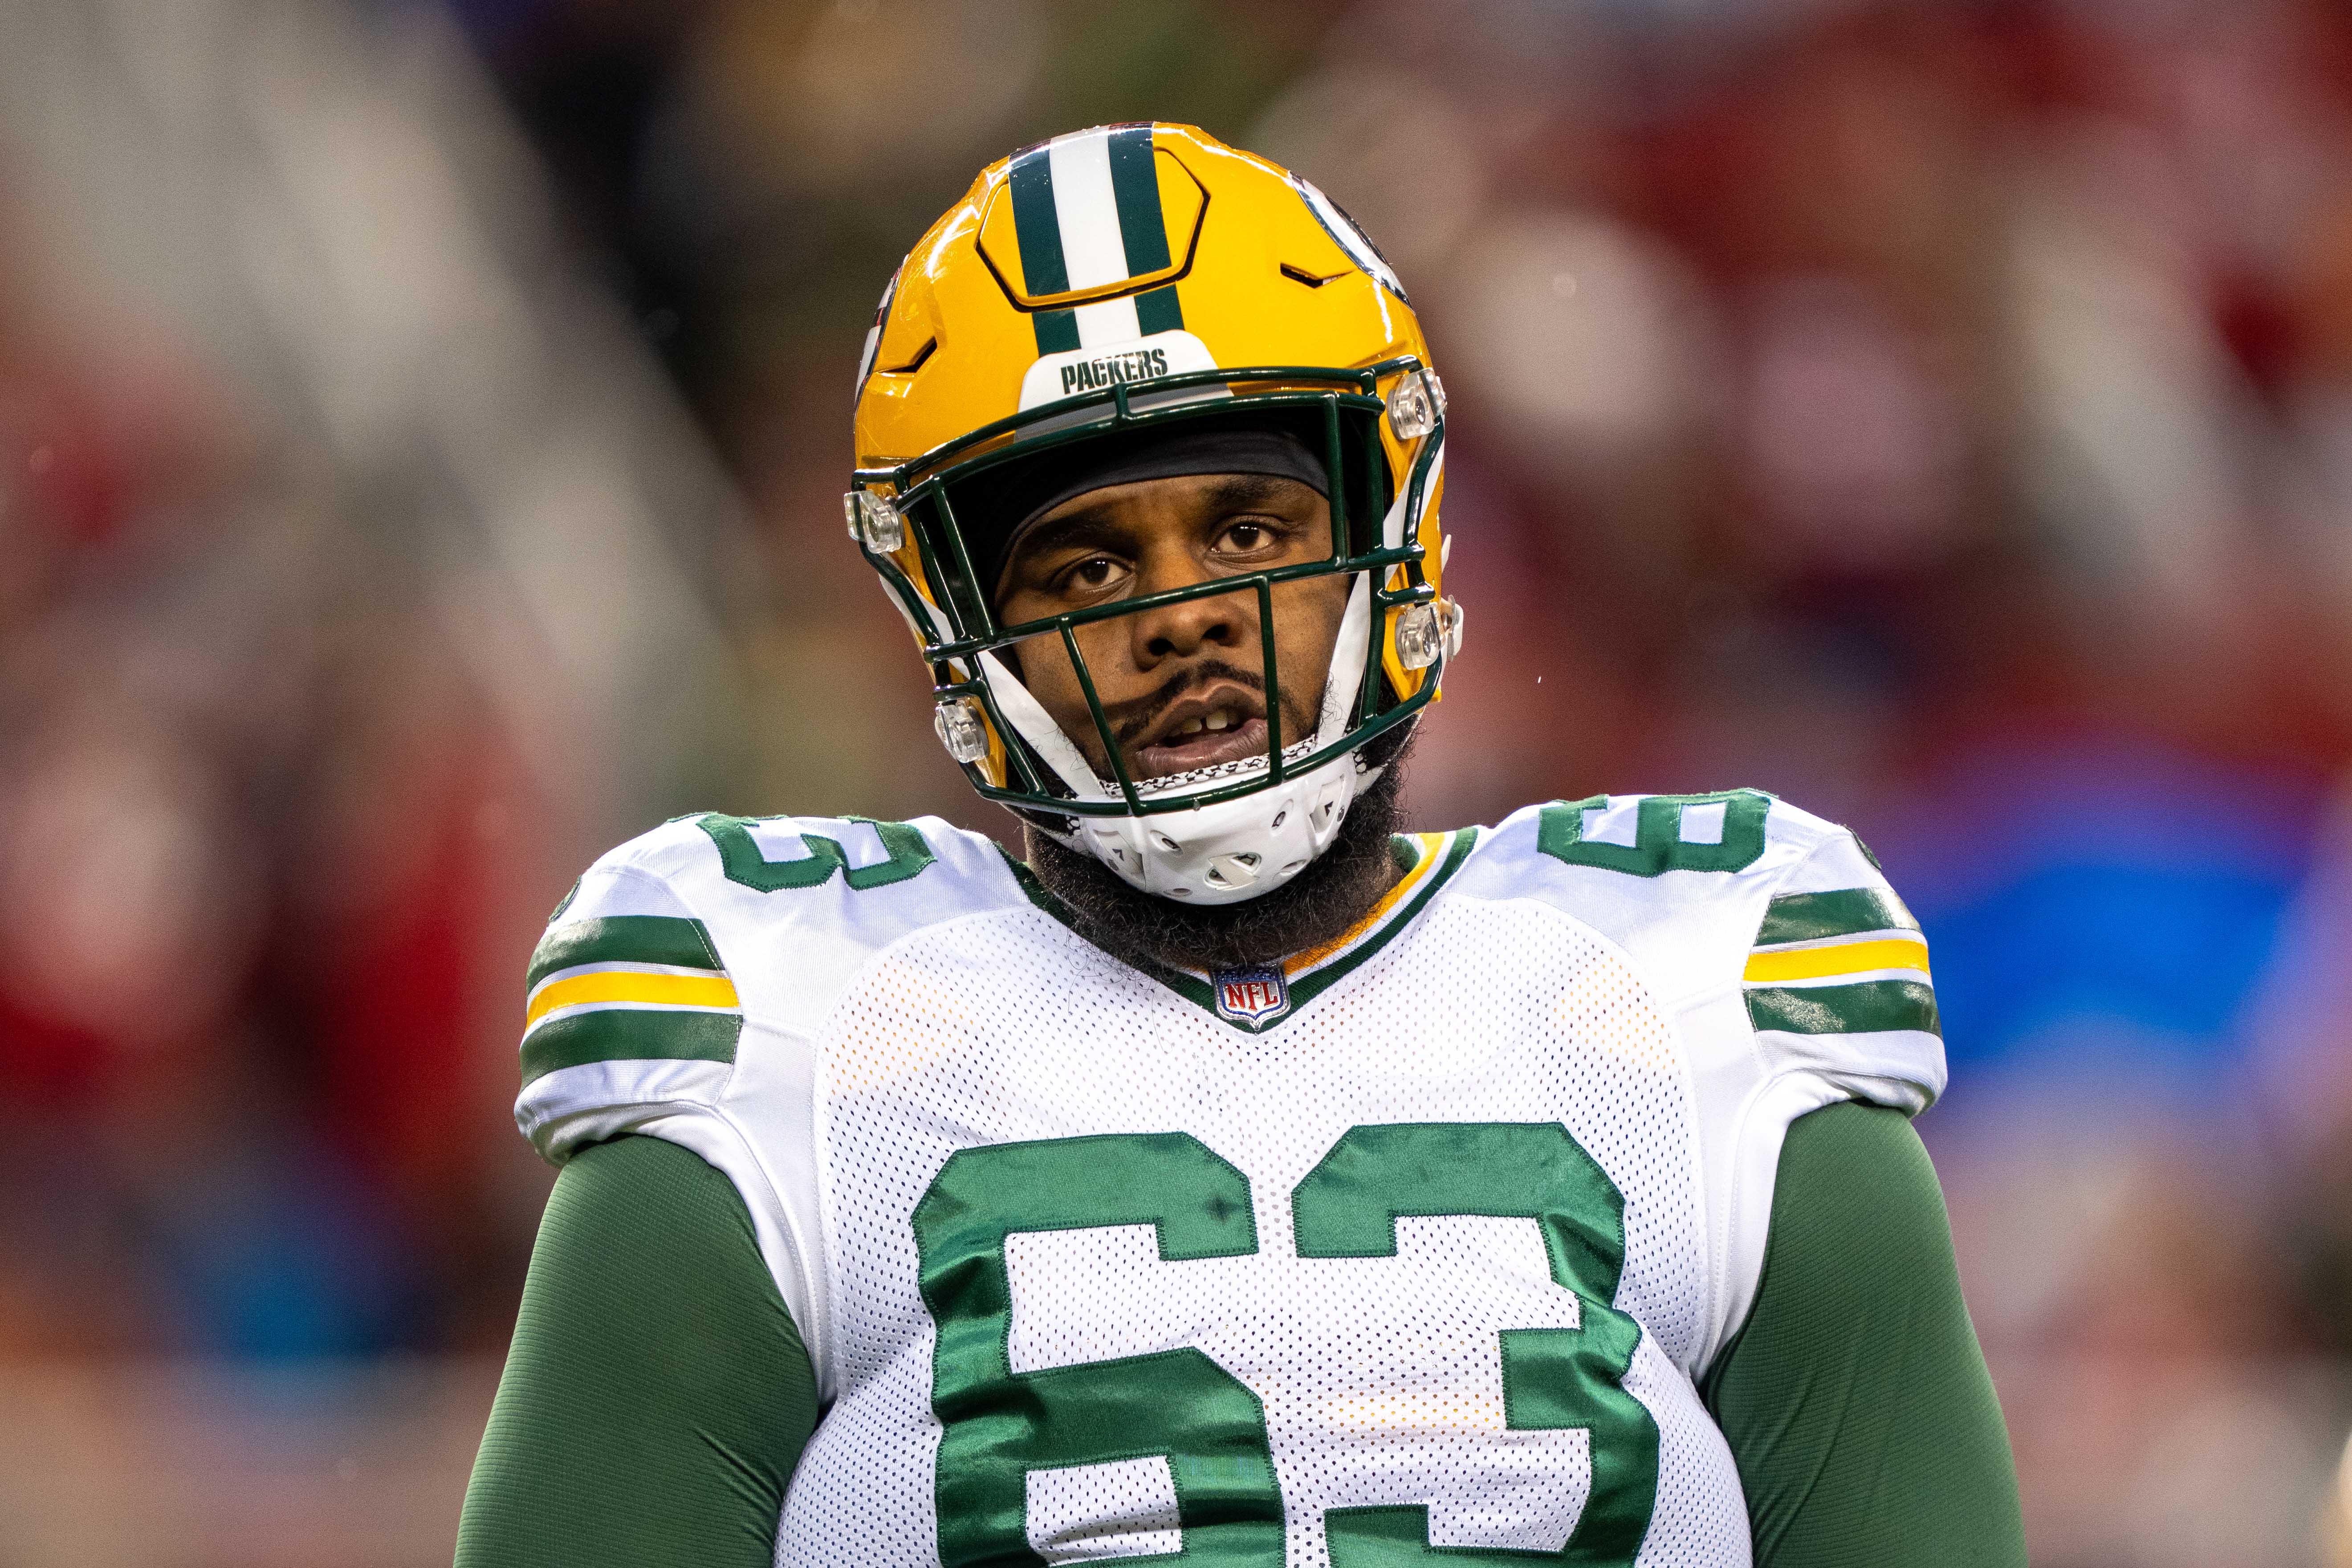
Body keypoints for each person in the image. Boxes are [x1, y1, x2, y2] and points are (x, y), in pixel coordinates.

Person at [456, 123, 2025, 1567]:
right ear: (963, 630)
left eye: (1247, 531)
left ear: (1386, 543)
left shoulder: (1695, 994)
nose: (1182, 615)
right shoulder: (786, 1037)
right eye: (1084, 567)